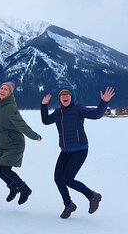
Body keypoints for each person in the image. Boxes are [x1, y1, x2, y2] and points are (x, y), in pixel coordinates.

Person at [41, 86, 115, 218]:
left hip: (80, 149)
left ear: (72, 97)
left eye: (68, 94)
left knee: (68, 179)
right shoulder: (58, 112)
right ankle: (68, 204)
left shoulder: (78, 109)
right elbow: (46, 121)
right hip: (65, 151)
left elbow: (97, 115)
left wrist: (104, 102)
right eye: (62, 94)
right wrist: (44, 105)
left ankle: (92, 196)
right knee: (58, 178)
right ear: (60, 98)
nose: (65, 96)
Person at [0, 82, 41, 205]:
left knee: (5, 169)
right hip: (2, 145)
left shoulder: (10, 107)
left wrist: (34, 136)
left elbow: (20, 123)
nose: (2, 91)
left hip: (14, 144)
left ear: (10, 93)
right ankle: (13, 186)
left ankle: (25, 189)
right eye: (1, 88)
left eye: (6, 89)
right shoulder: (0, 107)